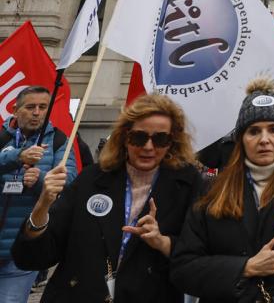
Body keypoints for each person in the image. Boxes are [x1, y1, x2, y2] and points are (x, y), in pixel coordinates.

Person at [11, 94, 199, 301]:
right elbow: (35, 256)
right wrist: (43, 205)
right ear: (125, 136)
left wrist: (162, 242)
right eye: (139, 137)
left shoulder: (188, 184)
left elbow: (201, 255)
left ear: (173, 141)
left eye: (160, 139)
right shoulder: (93, 178)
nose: (148, 147)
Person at [172, 79, 274, 302]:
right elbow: (184, 268)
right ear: (240, 139)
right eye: (254, 131)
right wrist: (244, 267)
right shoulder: (212, 189)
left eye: (273, 129)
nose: (264, 140)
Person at [0, 85, 78, 301]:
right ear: (15, 110)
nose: (36, 112)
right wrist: (17, 157)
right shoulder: (2, 136)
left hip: (21, 246)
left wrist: (40, 182)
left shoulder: (60, 141)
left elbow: (68, 181)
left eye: (43, 107)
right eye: (30, 107)